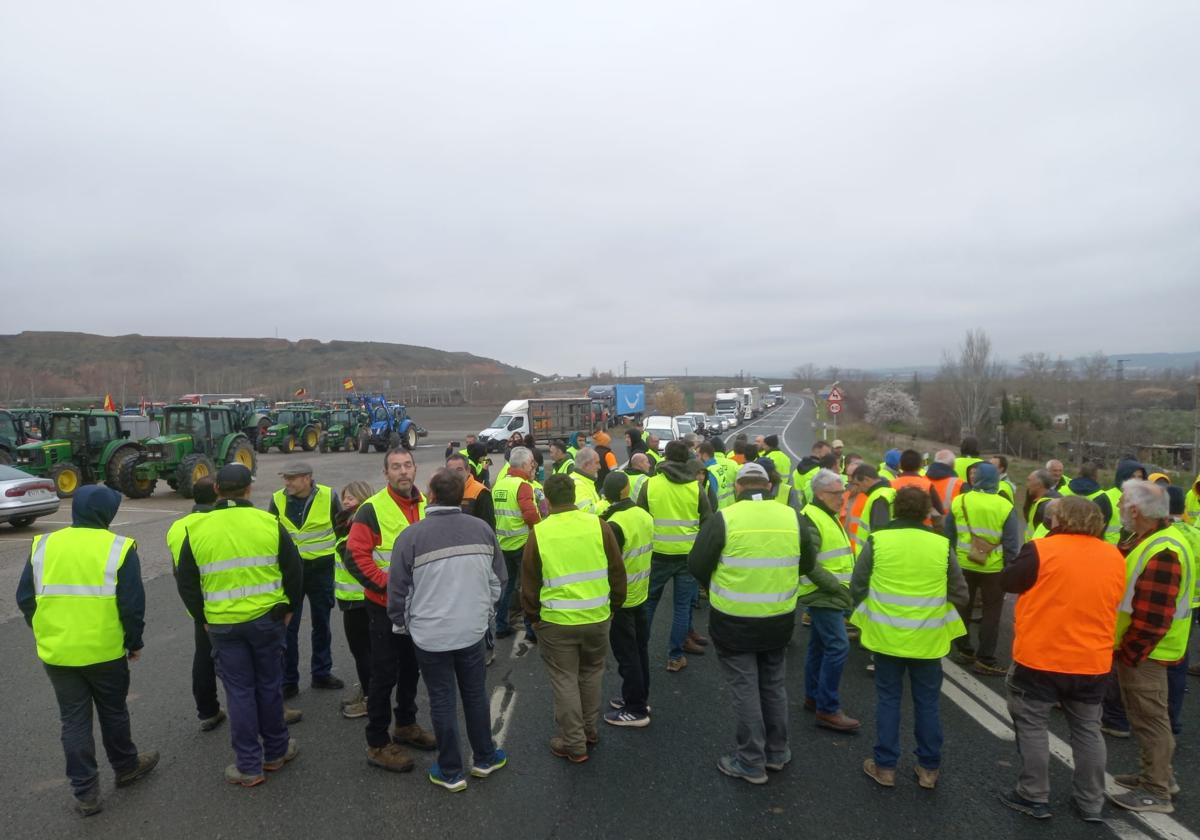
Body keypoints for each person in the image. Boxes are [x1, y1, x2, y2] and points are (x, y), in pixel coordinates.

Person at [690, 462, 851, 784]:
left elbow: (696, 564)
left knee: (745, 687)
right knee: (773, 683)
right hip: (778, 618)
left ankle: (751, 760)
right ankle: (777, 751)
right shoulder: (792, 517)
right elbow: (807, 563)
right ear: (768, 487)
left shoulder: (726, 518)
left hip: (734, 620)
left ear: (738, 488)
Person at [17, 485, 159, 816]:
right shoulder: (118, 548)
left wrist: (44, 629)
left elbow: (25, 598)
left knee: (73, 720)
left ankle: (86, 793)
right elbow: (132, 605)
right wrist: (133, 642)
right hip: (104, 651)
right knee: (113, 711)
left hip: (58, 652)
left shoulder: (44, 544)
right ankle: (126, 767)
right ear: (106, 514)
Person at [996, 496, 1126, 822]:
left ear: (1059, 519)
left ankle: (1033, 794)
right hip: (1092, 661)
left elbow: (1008, 581)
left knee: (1033, 726)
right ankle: (1091, 802)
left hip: (1041, 658)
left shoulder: (1041, 549)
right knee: (1087, 731)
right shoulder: (1114, 555)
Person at [176, 464, 302, 786]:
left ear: (216, 489)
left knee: (240, 692)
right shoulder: (269, 523)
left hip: (223, 626)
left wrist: (202, 618)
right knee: (269, 685)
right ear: (249, 490)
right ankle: (276, 752)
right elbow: (293, 570)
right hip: (266, 621)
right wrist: (289, 609)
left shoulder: (196, 529)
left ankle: (248, 766)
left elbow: (187, 583)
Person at [388, 469, 508, 791]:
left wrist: (404, 625)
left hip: (430, 637)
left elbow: (398, 592)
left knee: (441, 700)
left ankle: (451, 770)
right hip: (471, 633)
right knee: (475, 694)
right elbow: (498, 582)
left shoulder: (411, 537)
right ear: (461, 496)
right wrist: (484, 614)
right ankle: (485, 757)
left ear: (432, 495)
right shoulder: (482, 530)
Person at [851, 487, 968, 789]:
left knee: (889, 699)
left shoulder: (878, 541)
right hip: (928, 640)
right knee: (927, 702)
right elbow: (960, 593)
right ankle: (929, 769)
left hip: (886, 636)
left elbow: (858, 585)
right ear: (926, 512)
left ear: (895, 510)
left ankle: (885, 766)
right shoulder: (941, 545)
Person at [522, 474, 627, 762]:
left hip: (557, 622)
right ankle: (590, 731)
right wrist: (614, 605)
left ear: (546, 499)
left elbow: (529, 584)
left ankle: (574, 743)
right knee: (592, 673)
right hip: (597, 617)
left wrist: (533, 618)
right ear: (572, 495)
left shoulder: (540, 533)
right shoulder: (599, 525)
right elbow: (617, 571)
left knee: (565, 679)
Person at [345, 448, 437, 772]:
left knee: (412, 667)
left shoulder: (427, 505)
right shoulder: (371, 509)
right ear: (385, 473)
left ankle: (406, 724)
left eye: (407, 465)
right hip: (384, 608)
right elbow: (355, 556)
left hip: (419, 607)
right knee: (384, 674)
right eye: (395, 467)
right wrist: (389, 585)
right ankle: (378, 742)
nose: (402, 472)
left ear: (415, 469)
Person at [1106, 480, 1193, 814]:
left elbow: (1154, 617)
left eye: (1123, 503)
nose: (1118, 508)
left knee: (1150, 719)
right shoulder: (1154, 540)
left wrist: (1129, 653)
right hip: (1149, 650)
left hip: (1148, 652)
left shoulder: (1164, 550)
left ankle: (1156, 791)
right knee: (1148, 717)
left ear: (1135, 511)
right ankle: (1158, 776)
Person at [268, 462, 344, 698]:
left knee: (321, 623)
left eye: (292, 478)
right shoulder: (277, 499)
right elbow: (270, 534)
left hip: (321, 570)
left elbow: (341, 529)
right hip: (291, 572)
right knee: (288, 625)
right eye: (286, 478)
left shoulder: (329, 496)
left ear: (308, 478)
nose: (287, 483)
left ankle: (321, 673)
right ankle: (289, 680)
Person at [639, 440, 712, 671]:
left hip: (657, 554)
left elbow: (640, 518)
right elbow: (708, 520)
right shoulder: (694, 487)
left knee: (649, 604)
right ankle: (675, 656)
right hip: (686, 556)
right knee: (682, 607)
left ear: (665, 457)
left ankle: (640, 651)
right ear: (686, 460)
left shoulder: (650, 485)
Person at [945, 462, 1021, 676]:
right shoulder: (1004, 506)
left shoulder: (959, 501)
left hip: (962, 564)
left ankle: (964, 650)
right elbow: (1011, 544)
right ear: (996, 481)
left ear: (976, 479)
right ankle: (986, 659)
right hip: (993, 569)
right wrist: (1010, 571)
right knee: (991, 614)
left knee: (962, 608)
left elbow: (949, 536)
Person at [799, 469, 859, 731]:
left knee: (819, 646)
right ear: (821, 494)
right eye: (837, 493)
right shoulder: (813, 517)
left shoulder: (826, 515)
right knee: (838, 646)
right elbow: (809, 562)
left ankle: (814, 696)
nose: (842, 497)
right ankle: (828, 708)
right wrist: (835, 586)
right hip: (824, 594)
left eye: (843, 491)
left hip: (830, 593)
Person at [166, 477, 224, 731]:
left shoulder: (177, 527)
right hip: (227, 599)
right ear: (217, 492)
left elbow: (179, 570)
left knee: (203, 657)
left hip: (197, 602)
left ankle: (208, 711)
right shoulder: (220, 523)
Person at [600, 472, 655, 726]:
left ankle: (635, 710)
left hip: (622, 598)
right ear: (626, 490)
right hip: (641, 591)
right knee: (640, 649)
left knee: (626, 654)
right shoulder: (644, 515)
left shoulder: (613, 524)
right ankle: (639, 698)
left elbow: (608, 563)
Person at [334, 480, 375, 719]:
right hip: (356, 596)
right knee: (366, 650)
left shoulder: (353, 524)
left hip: (357, 597)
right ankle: (368, 691)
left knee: (362, 651)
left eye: (350, 498)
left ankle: (370, 699)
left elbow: (354, 560)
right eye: (344, 498)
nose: (346, 502)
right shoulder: (356, 520)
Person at [491, 446, 542, 640]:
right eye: (531, 464)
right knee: (528, 587)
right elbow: (530, 514)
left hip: (503, 544)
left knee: (507, 586)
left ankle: (501, 625)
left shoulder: (499, 485)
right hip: (522, 544)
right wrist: (539, 530)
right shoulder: (523, 486)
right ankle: (531, 630)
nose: (532, 467)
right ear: (523, 464)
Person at [1063, 461, 1120, 544]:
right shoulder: (1102, 497)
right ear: (1096, 476)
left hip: (1063, 542)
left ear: (1079, 473)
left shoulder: (1062, 491)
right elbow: (1106, 525)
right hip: (1091, 545)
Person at [846, 464, 895, 551]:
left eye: (858, 484)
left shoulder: (878, 498)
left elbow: (879, 535)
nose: (859, 489)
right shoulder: (886, 493)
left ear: (866, 480)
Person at [890, 449, 943, 524]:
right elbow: (940, 512)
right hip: (924, 530)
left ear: (900, 465)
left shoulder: (889, 484)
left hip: (894, 528)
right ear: (919, 466)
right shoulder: (928, 486)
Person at [447, 453, 496, 529]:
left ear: (468, 470)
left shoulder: (480, 492)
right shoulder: (442, 491)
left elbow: (488, 528)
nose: (455, 474)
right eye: (451, 470)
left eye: (459, 469)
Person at [1022, 469, 1060, 542]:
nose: (1027, 485)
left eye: (1029, 481)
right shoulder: (1034, 499)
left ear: (1039, 485)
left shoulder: (1048, 506)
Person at [792, 440, 831, 505]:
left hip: (802, 508)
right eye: (827, 454)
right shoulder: (820, 472)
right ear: (818, 452)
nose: (829, 457)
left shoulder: (796, 471)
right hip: (817, 508)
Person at [925, 450, 962, 517]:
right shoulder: (960, 485)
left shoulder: (921, 480)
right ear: (953, 466)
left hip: (922, 525)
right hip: (946, 525)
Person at [570, 447, 605, 514]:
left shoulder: (583, 480)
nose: (599, 467)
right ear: (586, 465)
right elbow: (587, 511)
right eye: (597, 463)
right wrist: (606, 502)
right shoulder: (578, 485)